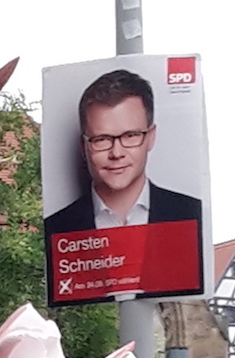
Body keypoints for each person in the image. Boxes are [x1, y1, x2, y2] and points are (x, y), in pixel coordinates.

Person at [44, 69, 201, 235]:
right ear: (83, 146)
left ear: (151, 137)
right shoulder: (54, 229)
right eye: (102, 139)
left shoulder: (193, 214)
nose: (116, 153)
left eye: (130, 135)